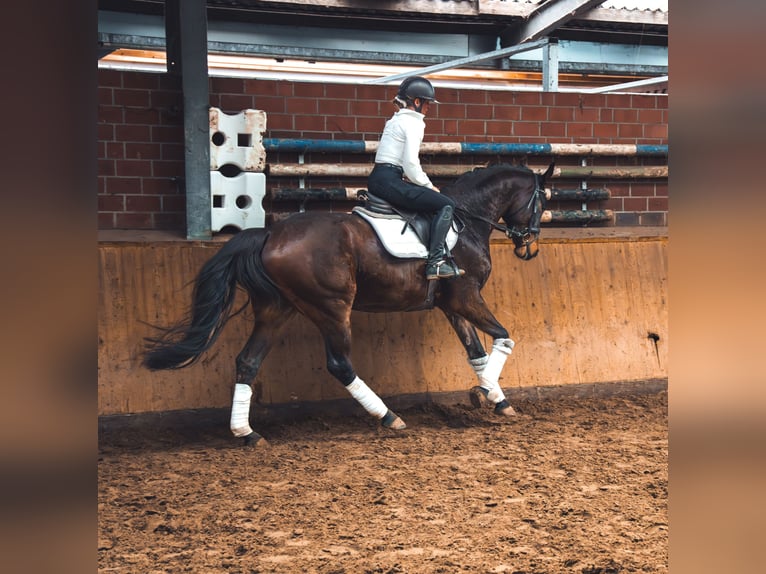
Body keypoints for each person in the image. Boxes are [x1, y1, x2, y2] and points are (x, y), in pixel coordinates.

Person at [367, 76, 465, 280]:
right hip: (390, 179)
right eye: (427, 103)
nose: (429, 108)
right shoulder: (413, 123)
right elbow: (411, 164)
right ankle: (436, 262)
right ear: (417, 102)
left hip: (380, 178)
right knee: (445, 204)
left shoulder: (395, 120)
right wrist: (429, 186)